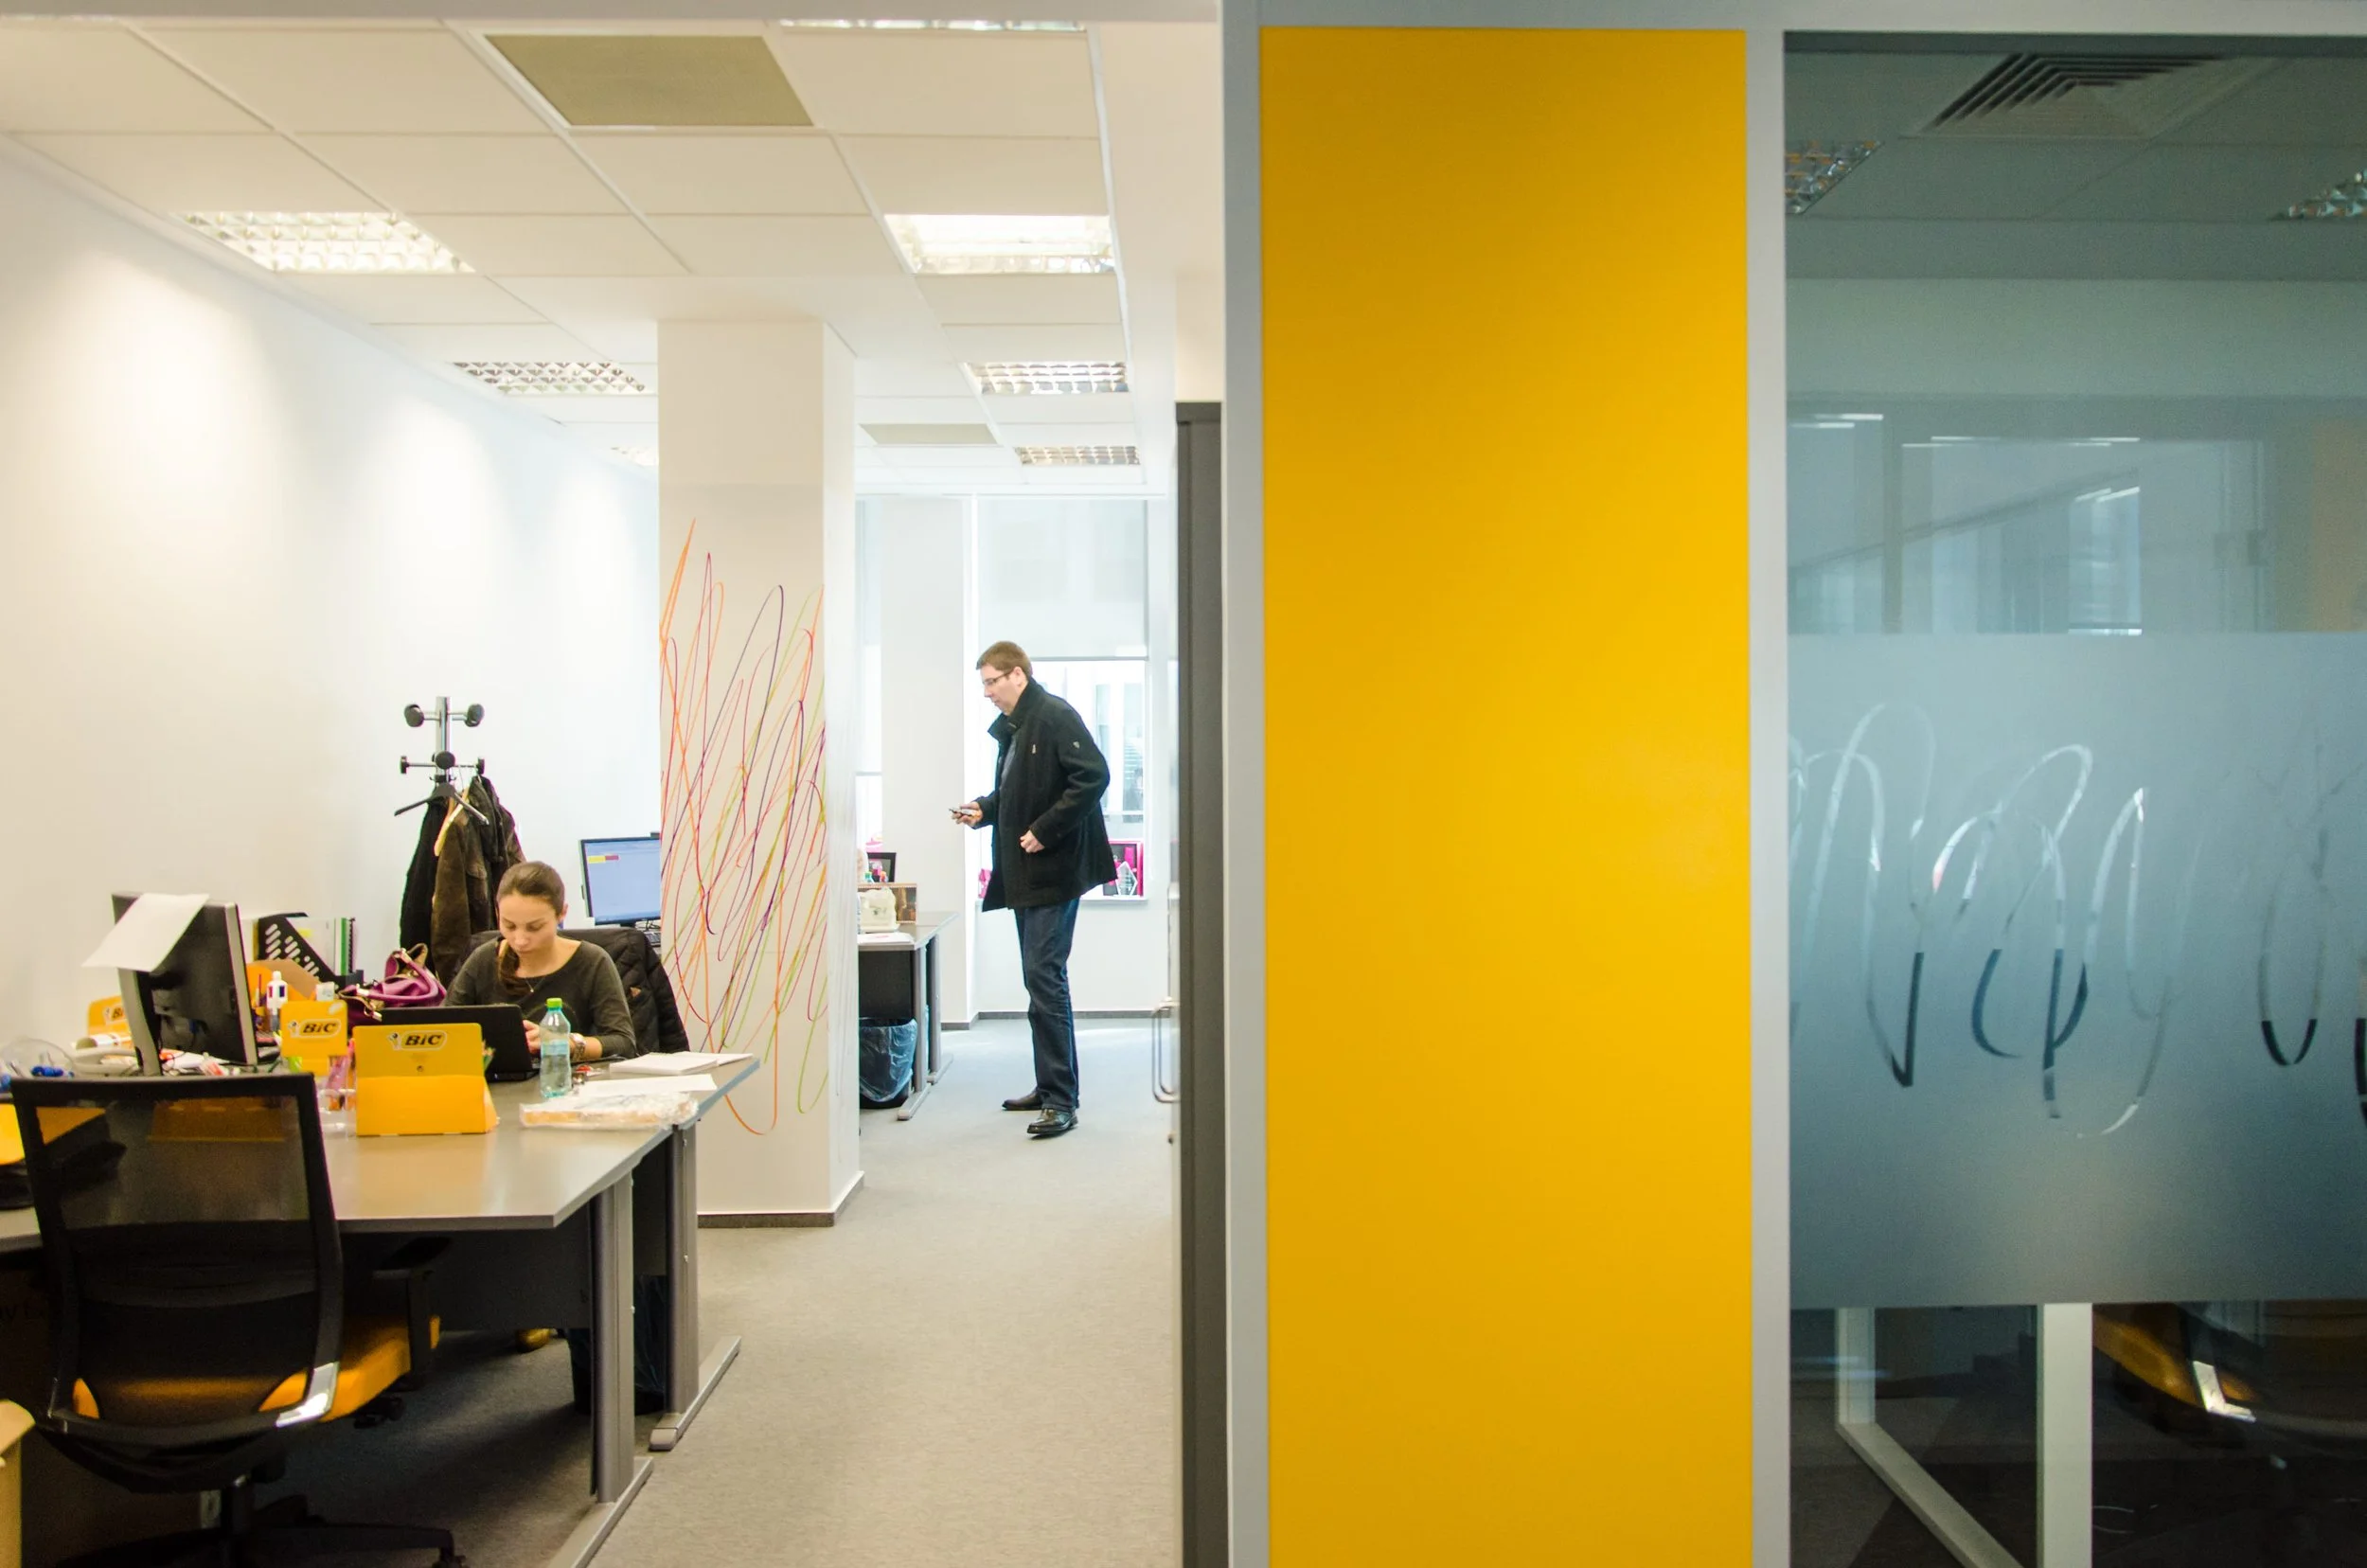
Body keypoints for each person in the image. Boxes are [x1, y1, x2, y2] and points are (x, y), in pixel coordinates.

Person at [952, 640, 1115, 1140]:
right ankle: (1048, 1088)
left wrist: (1046, 828)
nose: (986, 693)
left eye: (991, 682)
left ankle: (1063, 1100)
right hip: (1030, 874)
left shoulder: (1054, 715)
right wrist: (987, 808)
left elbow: (1094, 777)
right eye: (983, 684)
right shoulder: (1021, 728)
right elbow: (1021, 789)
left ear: (1017, 675)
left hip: (1056, 871)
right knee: (1038, 980)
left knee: (1044, 978)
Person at [449, 860, 637, 1061]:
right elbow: (440, 1029)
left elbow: (623, 1043)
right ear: (497, 913)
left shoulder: (592, 962)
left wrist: (569, 1044)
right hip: (500, 1087)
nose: (520, 941)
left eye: (535, 927)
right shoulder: (483, 960)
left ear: (562, 914)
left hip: (567, 1083)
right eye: (509, 926)